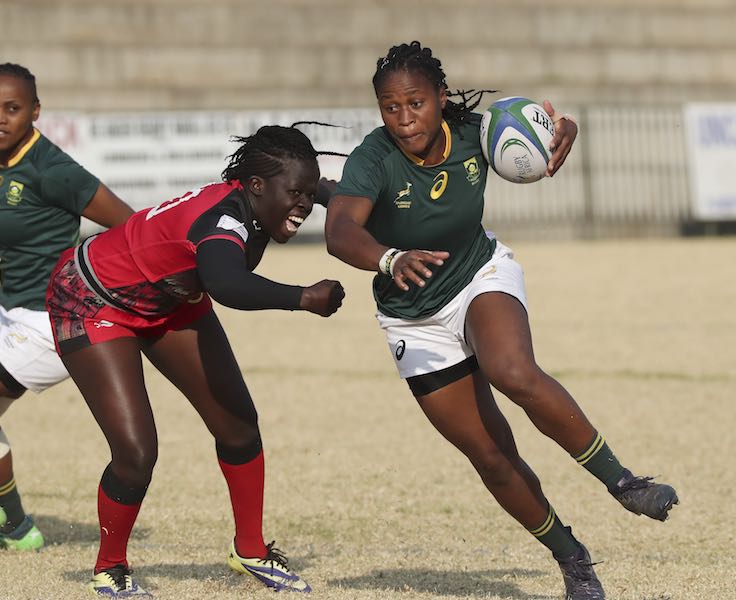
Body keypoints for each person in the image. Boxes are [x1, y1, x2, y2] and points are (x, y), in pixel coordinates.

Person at [324, 41, 678, 600]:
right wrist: (390, 258)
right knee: (490, 456)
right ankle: (573, 558)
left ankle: (624, 482)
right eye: (390, 108)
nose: (404, 118)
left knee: (512, 371)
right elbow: (341, 230)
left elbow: (545, 125)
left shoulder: (476, 131)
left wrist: (567, 130)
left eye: (415, 102)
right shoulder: (373, 157)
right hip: (412, 319)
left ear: (440, 97)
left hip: (477, 274)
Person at [45, 123, 345, 597]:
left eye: (308, 194)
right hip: (93, 299)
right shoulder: (225, 222)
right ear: (255, 187)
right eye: (296, 194)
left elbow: (334, 191)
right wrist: (303, 296)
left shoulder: (268, 196)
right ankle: (110, 567)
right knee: (137, 453)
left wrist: (347, 198)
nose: (304, 205)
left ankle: (249, 551)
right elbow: (226, 285)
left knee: (239, 425)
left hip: (167, 296)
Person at [0, 64, 134, 559]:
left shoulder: (53, 169)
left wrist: (114, 292)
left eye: (12, 108)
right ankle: (20, 529)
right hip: (9, 316)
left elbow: (131, 227)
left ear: (35, 111)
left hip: (46, 326)